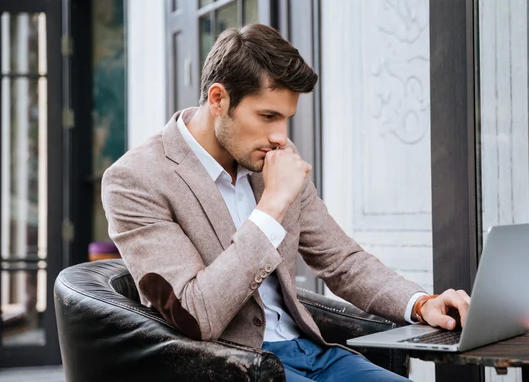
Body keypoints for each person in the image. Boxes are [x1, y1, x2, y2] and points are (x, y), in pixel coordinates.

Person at [101, 23, 470, 382]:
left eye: (286, 119)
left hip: (315, 353)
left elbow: (342, 259)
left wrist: (421, 303)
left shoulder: (271, 156)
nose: (280, 137)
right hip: (237, 367)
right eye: (267, 116)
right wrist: (271, 207)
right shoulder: (136, 180)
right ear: (218, 99)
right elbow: (197, 313)